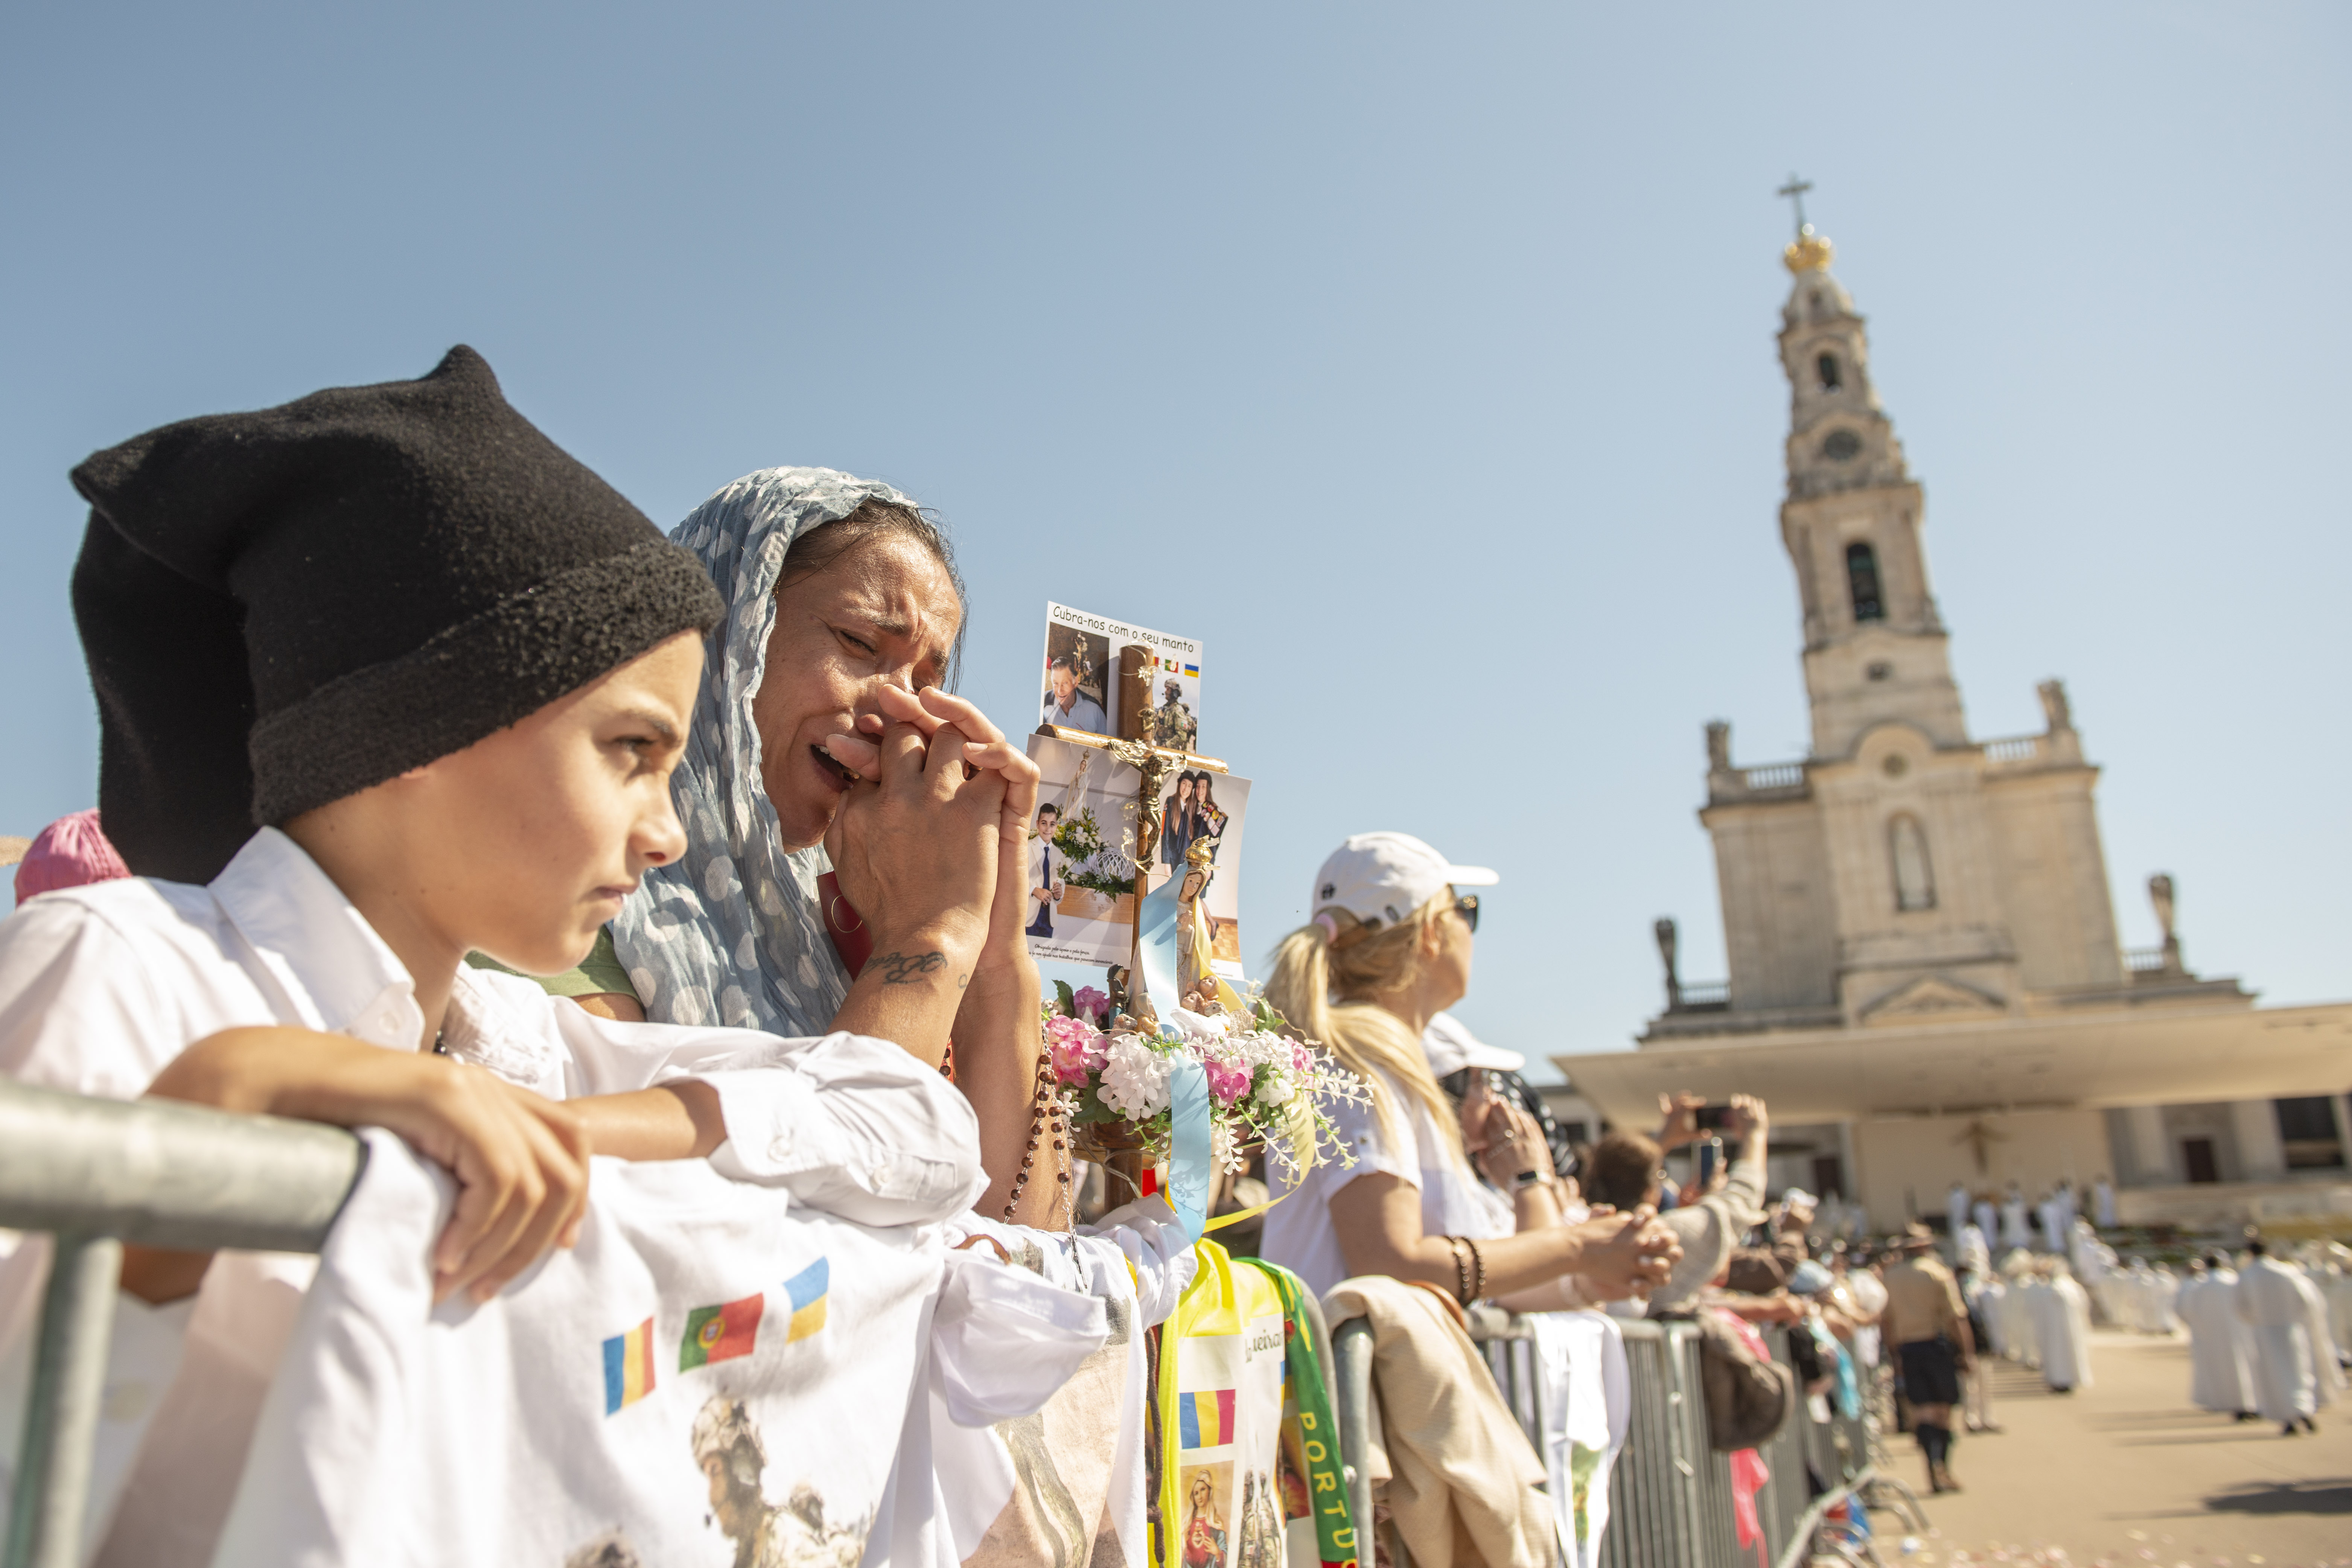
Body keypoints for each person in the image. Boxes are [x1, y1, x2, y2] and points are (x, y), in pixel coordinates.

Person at [0, 350, 989, 1564]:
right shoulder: (123, 969)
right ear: (427, 721)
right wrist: (226, 1096)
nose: (670, 825)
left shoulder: (511, 1043)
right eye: (631, 749)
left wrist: (554, 1123)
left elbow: (910, 1133)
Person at [608, 469, 1057, 1224]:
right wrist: (929, 935)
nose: (897, 709)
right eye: (857, 643)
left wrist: (995, 947)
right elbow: (792, 1249)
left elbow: (1029, 1274)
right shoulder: (574, 888)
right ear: (726, 631)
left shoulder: (826, 932)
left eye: (924, 681)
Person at [1258, 831, 1678, 1306]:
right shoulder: (1359, 1062)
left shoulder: (1376, 1059)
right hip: (1337, 1376)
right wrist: (1577, 1247)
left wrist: (1592, 1269)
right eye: (1467, 910)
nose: (1471, 928)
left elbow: (1456, 1271)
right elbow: (1389, 1261)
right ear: (1433, 933)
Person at [1586, 1092, 1770, 1315]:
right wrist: (1755, 1135)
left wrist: (1665, 1137)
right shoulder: (1656, 1238)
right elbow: (1740, 1201)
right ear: (1650, 1193)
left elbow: (1629, 1172)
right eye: (1661, 1177)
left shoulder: (1579, 1234)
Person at [1879, 1222, 1976, 1493]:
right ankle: (1940, 1466)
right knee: (1942, 1412)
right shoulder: (1936, 1274)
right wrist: (1966, 1353)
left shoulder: (1890, 1277)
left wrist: (1894, 1354)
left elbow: (1886, 1322)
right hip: (1936, 1346)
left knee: (1922, 1412)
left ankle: (1931, 1467)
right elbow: (1955, 1318)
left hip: (1908, 1349)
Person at [2235, 1237, 2342, 1434]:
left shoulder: (2247, 1275)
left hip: (2265, 1332)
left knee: (2274, 1376)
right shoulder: (2286, 1271)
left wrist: (2259, 1320)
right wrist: (2298, 1320)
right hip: (2292, 1329)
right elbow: (2308, 1300)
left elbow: (2241, 1308)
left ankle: (2289, 1417)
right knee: (2299, 1372)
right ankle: (2302, 1409)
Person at [2177, 1254, 2258, 1422]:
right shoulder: (2234, 1280)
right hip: (2239, 1333)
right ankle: (2250, 1403)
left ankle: (2225, 1402)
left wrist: (2200, 1329)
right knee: (2244, 1367)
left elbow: (2187, 1311)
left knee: (2220, 1370)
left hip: (2211, 1337)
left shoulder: (2199, 1286)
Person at [2034, 1260, 2095, 1394]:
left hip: (2064, 1331)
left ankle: (2064, 1380)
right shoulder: (2067, 1288)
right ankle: (2059, 1380)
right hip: (2058, 1331)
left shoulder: (2055, 1288)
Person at [1041, 651, 1109, 735]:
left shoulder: (1094, 709)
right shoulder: (1043, 703)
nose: (1059, 691)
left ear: (1076, 682)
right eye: (1056, 684)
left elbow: (1107, 744)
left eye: (1065, 683)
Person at [1028, 801, 1065, 938]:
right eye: (1044, 823)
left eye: (1052, 824)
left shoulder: (1060, 854)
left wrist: (1059, 895)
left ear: (1056, 826)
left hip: (1048, 919)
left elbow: (1061, 882)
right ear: (1037, 824)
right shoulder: (1026, 848)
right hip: (1028, 916)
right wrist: (1034, 890)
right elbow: (1014, 879)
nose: (1048, 828)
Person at [1161, 771, 1198, 870]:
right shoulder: (1171, 802)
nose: (1186, 789)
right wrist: (1166, 861)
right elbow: (1165, 833)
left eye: (1189, 786)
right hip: (1173, 857)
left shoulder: (1193, 807)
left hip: (1186, 860)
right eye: (1184, 784)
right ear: (1180, 784)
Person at [1152, 677, 1198, 754]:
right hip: (1163, 750)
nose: (1166, 692)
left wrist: (1166, 746)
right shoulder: (1165, 708)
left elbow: (1182, 737)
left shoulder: (1178, 710)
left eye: (1168, 690)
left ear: (1175, 693)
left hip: (1172, 753)